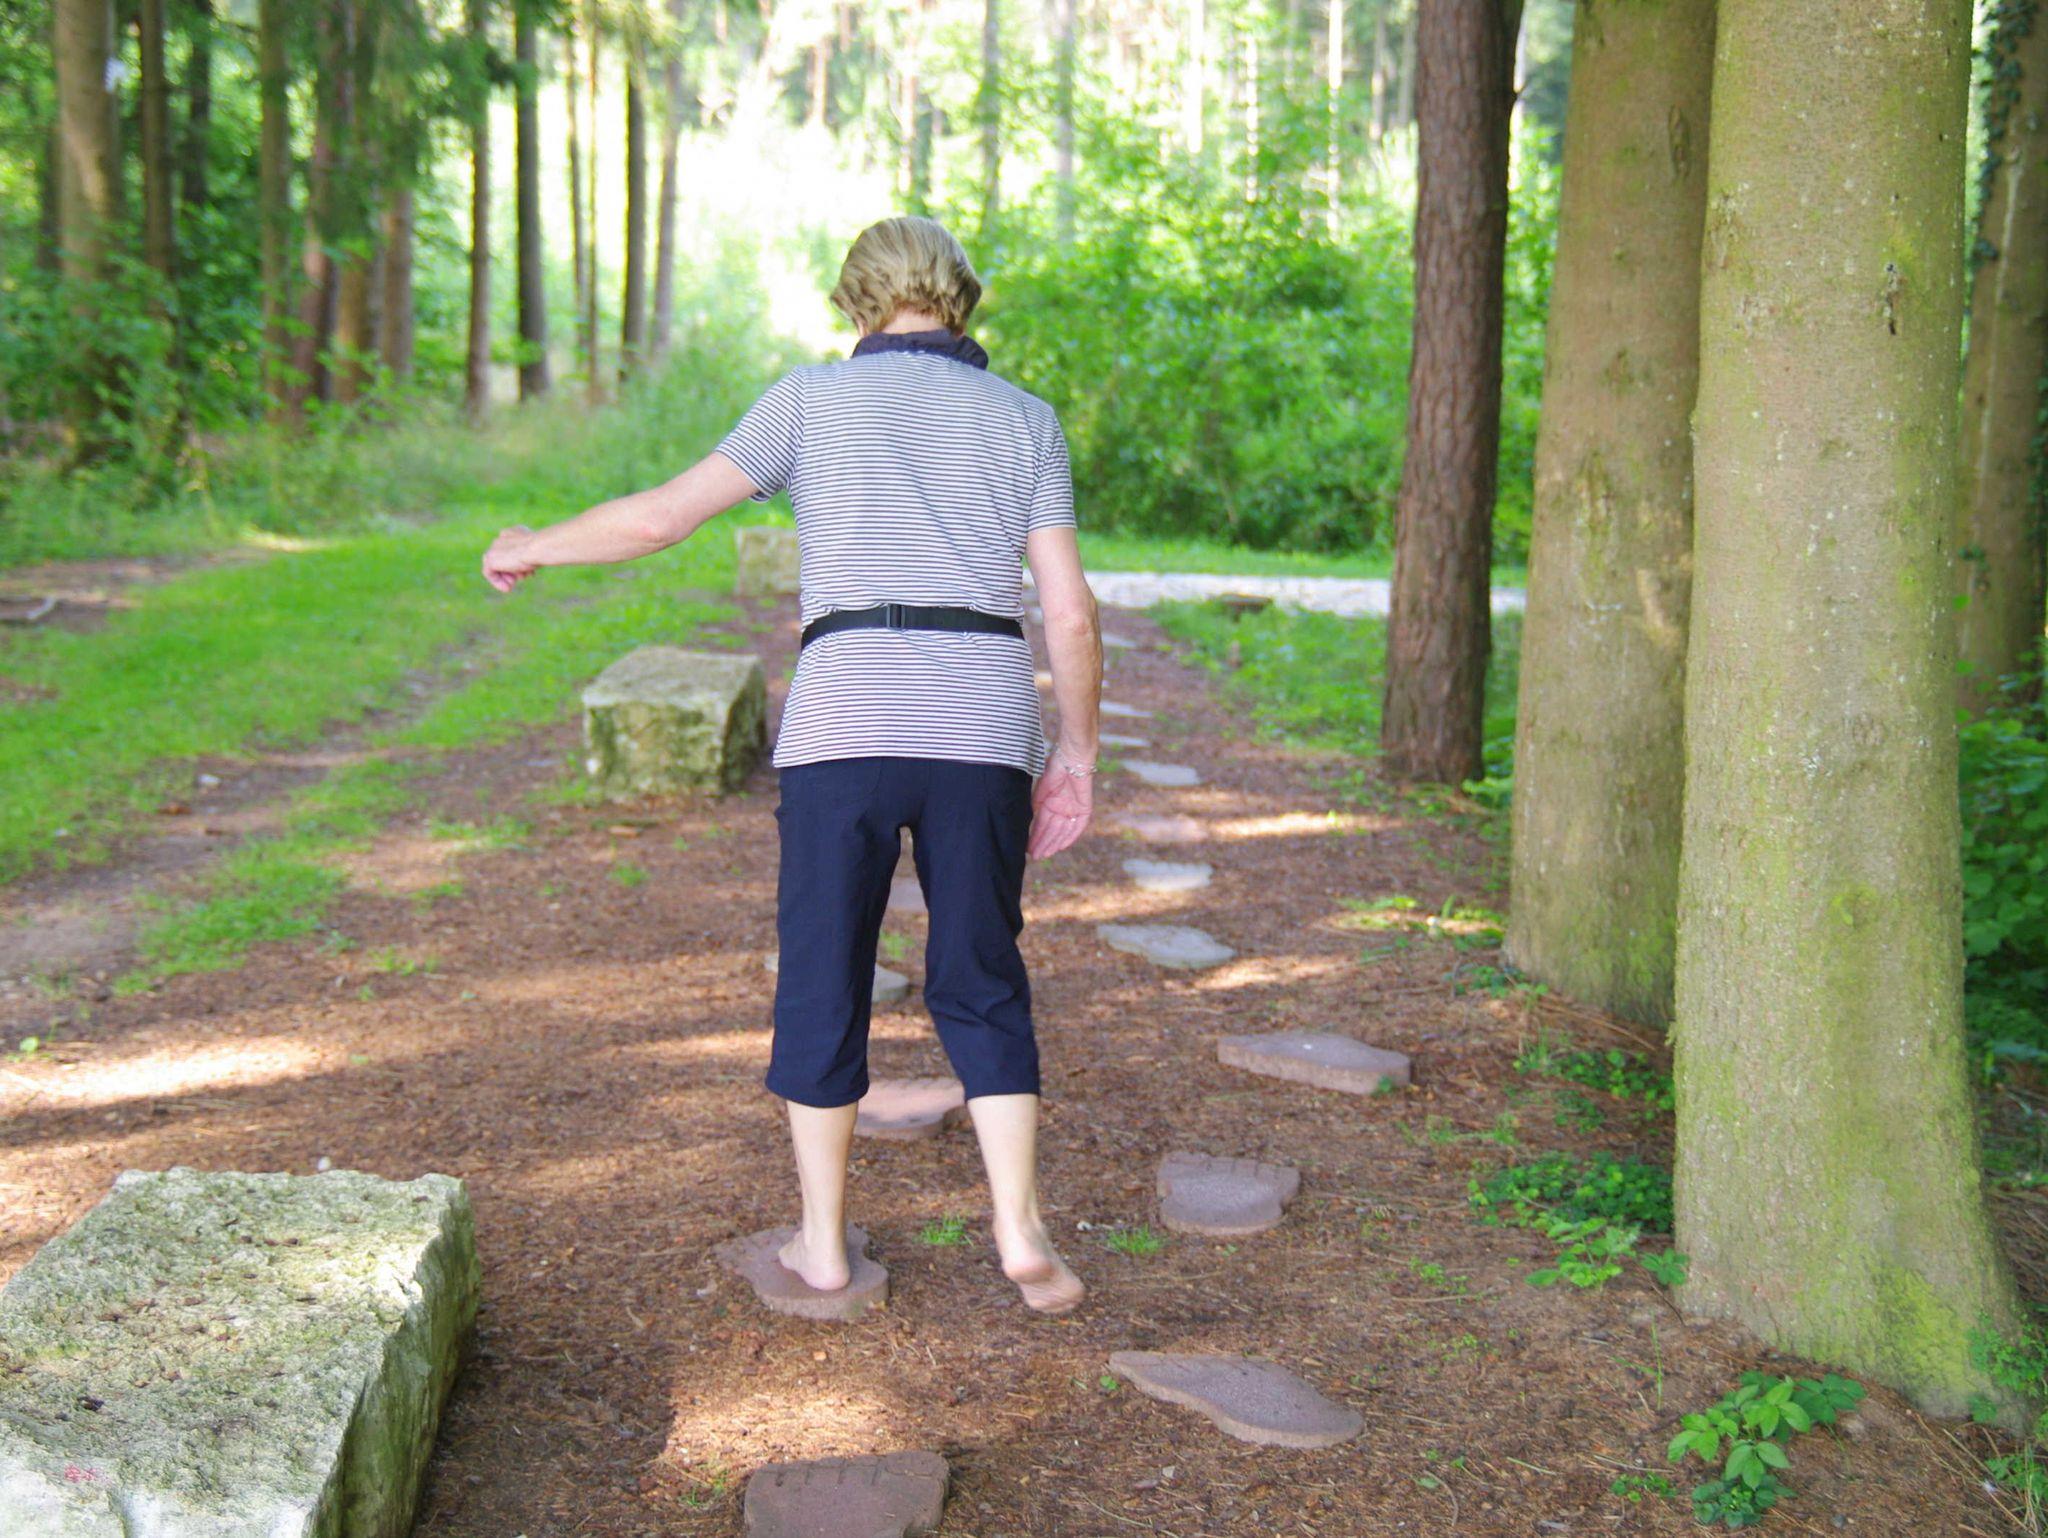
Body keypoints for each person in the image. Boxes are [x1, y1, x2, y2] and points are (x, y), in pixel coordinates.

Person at [481, 215, 1101, 1314]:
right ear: (960, 298)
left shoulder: (808, 400)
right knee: (980, 970)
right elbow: (1068, 609)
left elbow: (662, 519)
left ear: (856, 299)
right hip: (978, 727)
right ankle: (1019, 1226)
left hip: (843, 723)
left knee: (823, 972)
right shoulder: (1024, 419)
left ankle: (823, 1247)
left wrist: (535, 544)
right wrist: (1077, 754)